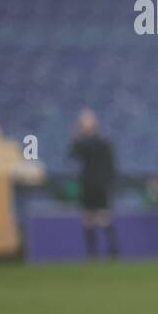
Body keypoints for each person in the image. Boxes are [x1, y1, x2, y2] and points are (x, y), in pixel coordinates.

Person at [68, 108, 118, 258]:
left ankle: (110, 250)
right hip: (89, 185)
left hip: (97, 185)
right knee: (90, 219)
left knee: (102, 217)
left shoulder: (100, 143)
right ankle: (96, 252)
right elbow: (73, 155)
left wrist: (77, 134)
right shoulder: (96, 143)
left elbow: (73, 152)